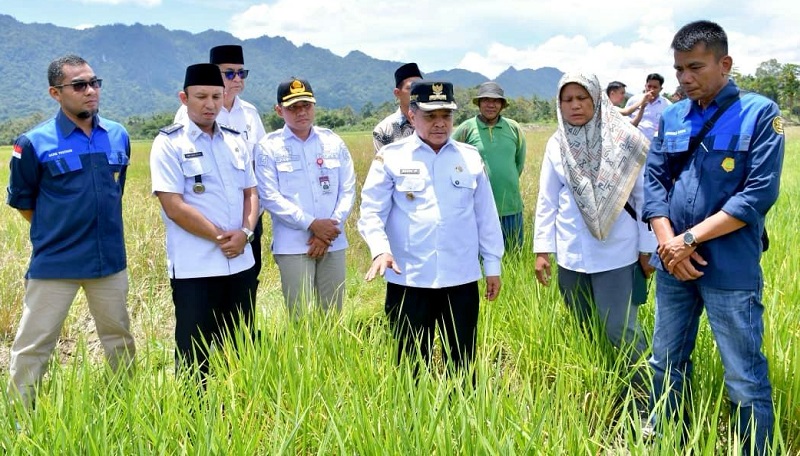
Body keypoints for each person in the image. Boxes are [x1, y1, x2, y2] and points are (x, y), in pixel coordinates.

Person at [643, 20, 784, 455]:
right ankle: (667, 440)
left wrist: (686, 240)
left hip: (730, 267)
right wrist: (670, 244)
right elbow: (654, 181)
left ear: (724, 64)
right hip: (674, 267)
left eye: (695, 68)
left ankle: (755, 448)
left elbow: (758, 193)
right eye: (679, 69)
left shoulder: (759, 113)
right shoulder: (671, 115)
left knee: (743, 373)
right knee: (665, 361)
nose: (684, 78)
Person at [6, 54, 136, 407]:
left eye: (94, 82)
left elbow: (114, 191)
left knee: (118, 339)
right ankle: (20, 419)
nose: (91, 91)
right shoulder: (33, 143)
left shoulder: (118, 135)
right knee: (34, 345)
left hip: (108, 261)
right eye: (79, 85)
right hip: (55, 264)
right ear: (56, 92)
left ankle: (123, 408)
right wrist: (58, 231)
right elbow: (23, 201)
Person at [358, 81, 504, 373]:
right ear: (412, 116)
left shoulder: (470, 158)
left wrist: (492, 265)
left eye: (446, 116)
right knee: (410, 362)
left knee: (462, 362)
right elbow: (371, 212)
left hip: (460, 278)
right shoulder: (392, 157)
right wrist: (380, 250)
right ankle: (413, 418)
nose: (440, 124)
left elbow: (486, 216)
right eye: (430, 116)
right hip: (409, 279)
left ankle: (462, 415)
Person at [533, 72, 655, 396]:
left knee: (621, 330)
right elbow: (547, 200)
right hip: (572, 255)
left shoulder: (625, 139)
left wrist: (647, 247)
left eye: (582, 98)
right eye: (567, 100)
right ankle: (604, 390)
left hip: (618, 253)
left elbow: (645, 199)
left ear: (597, 99)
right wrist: (542, 250)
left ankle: (646, 399)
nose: (575, 106)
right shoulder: (557, 143)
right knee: (585, 329)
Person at [150, 63, 259, 377]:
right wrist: (221, 237)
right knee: (194, 352)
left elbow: (251, 193)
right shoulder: (169, 143)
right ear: (184, 98)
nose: (210, 104)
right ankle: (193, 422)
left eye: (215, 96)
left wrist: (245, 232)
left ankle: (241, 411)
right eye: (200, 97)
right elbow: (174, 205)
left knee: (241, 345)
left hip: (240, 263)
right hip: (195, 268)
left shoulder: (236, 141)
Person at [175, 44, 267, 311]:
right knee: (206, 290)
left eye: (242, 73)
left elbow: (259, 164)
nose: (237, 79)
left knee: (247, 279)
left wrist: (249, 223)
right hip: (207, 215)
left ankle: (243, 338)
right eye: (229, 73)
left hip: (247, 215)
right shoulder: (187, 115)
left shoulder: (249, 113)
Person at [256, 78, 356, 316]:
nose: (301, 112)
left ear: (314, 106)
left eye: (306, 106)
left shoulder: (333, 141)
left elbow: (348, 188)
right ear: (279, 110)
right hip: (293, 244)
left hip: (333, 240)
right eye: (293, 107)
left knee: (332, 314)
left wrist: (328, 229)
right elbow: (269, 196)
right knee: (300, 315)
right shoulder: (268, 147)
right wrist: (312, 224)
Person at [453, 81, 527, 251]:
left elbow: (518, 163)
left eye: (496, 101)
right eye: (486, 100)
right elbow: (451, 158)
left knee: (513, 254)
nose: (491, 105)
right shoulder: (466, 129)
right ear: (479, 103)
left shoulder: (514, 128)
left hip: (511, 207)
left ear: (502, 105)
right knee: (481, 258)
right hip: (477, 209)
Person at [372, 62, 423, 152]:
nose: (417, 92)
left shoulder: (434, 124)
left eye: (420, 87)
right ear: (397, 93)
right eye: (411, 88)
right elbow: (381, 164)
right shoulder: (383, 130)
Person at [624, 73, 672, 140]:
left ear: (661, 89)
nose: (651, 90)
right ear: (645, 86)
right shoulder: (633, 100)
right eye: (649, 86)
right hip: (632, 141)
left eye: (655, 87)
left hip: (654, 144)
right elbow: (624, 121)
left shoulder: (667, 105)